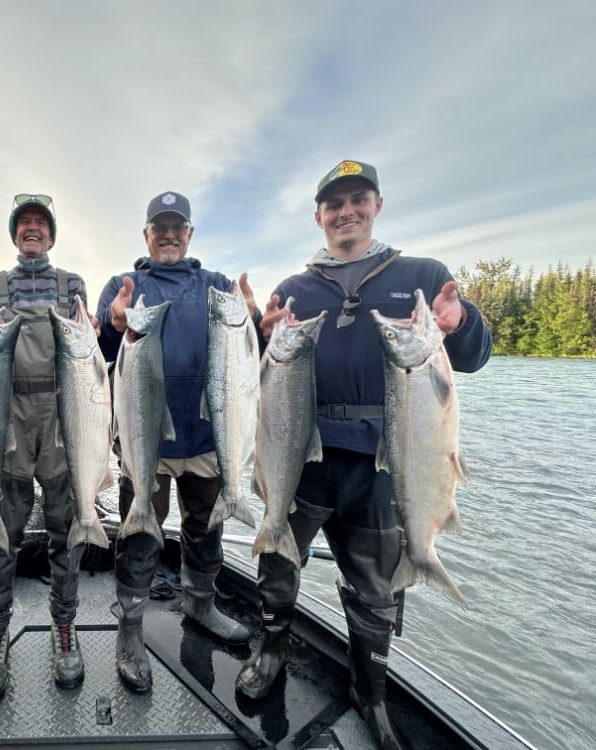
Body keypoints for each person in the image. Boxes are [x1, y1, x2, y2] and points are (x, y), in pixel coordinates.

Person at [234, 160, 491, 750]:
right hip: (303, 454)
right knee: (277, 558)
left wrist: (461, 321)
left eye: (357, 199)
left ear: (377, 205)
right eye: (334, 204)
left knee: (377, 584)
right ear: (318, 216)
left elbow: (475, 356)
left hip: (386, 460)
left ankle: (369, 689)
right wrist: (254, 329)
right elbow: (253, 376)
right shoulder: (294, 290)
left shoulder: (423, 274)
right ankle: (270, 647)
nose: (346, 211)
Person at [95, 191, 256, 694]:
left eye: (177, 226)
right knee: (140, 535)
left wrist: (253, 324)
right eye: (158, 226)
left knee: (204, 531)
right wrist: (112, 325)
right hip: (147, 441)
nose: (168, 234)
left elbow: (246, 359)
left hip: (209, 437)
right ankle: (130, 627)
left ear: (189, 235)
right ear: (146, 234)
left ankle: (201, 604)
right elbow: (99, 356)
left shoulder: (217, 287)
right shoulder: (126, 286)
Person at [0, 193, 95, 701]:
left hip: (65, 419)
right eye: (24, 223)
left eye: (40, 223)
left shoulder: (74, 287)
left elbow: (92, 356)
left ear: (51, 233)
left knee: (68, 531)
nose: (32, 229)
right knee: (3, 531)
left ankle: (65, 628)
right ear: (14, 232)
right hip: (8, 416)